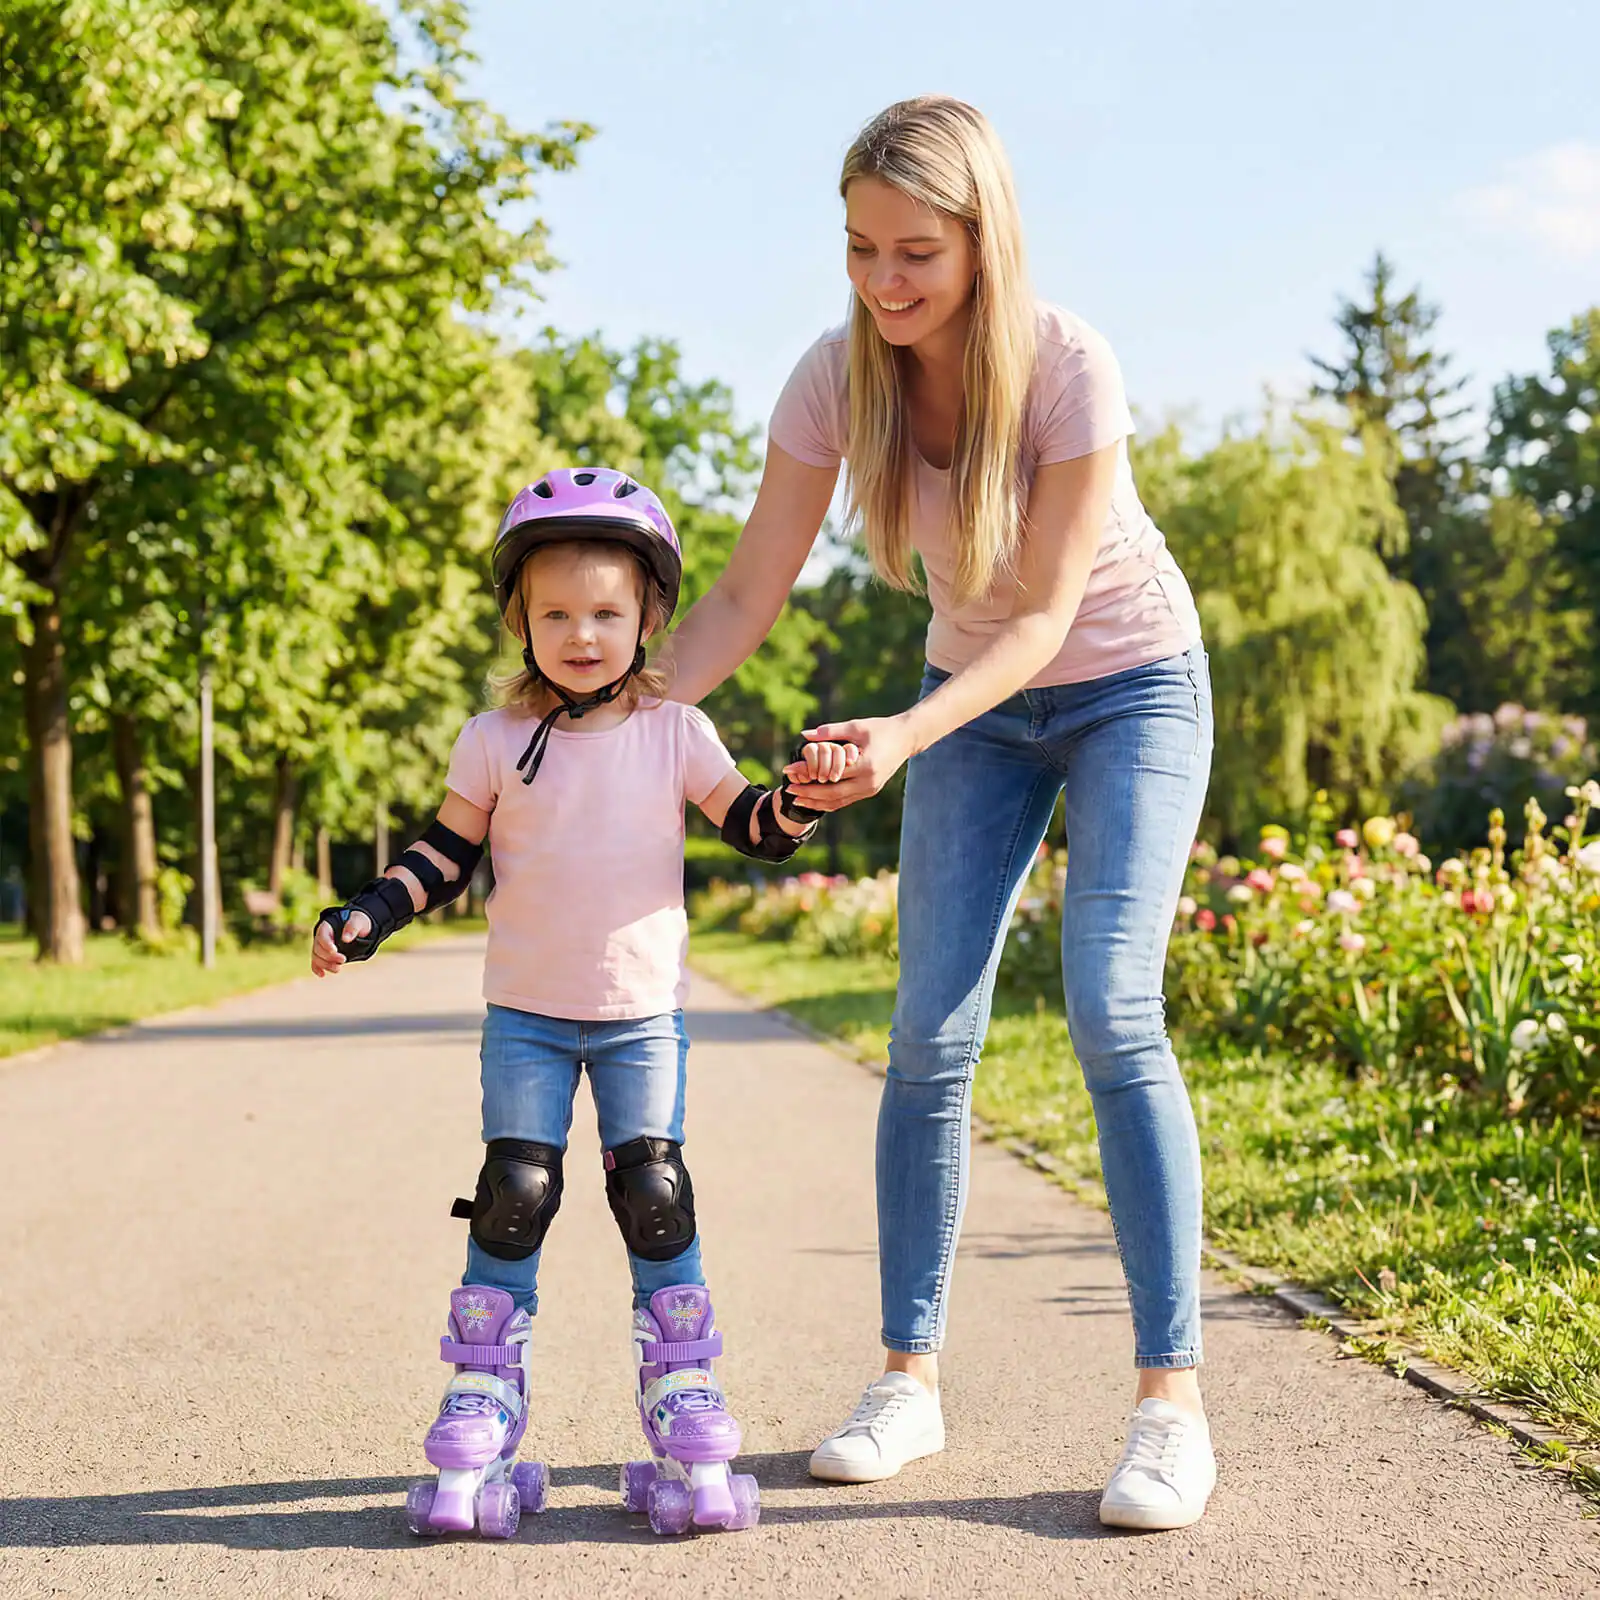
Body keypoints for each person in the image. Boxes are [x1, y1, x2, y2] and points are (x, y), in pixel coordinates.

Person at [661, 97, 1217, 1531]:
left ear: (984, 239)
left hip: (1125, 688)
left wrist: (904, 734)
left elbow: (1035, 621)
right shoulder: (835, 383)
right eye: (859, 249)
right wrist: (607, 702)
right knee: (926, 1032)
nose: (882, 282)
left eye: (915, 252)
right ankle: (907, 1379)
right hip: (968, 702)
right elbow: (741, 596)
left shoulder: (1068, 366)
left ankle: (1170, 1407)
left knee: (1112, 1000)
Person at [311, 466, 853, 1538]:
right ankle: (482, 1391)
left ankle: (683, 1394)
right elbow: (445, 852)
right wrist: (371, 910)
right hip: (526, 1012)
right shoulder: (491, 738)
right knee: (514, 1188)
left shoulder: (676, 730)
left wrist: (793, 802)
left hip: (641, 1013)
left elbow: (745, 821)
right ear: (521, 621)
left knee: (654, 1190)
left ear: (649, 616)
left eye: (606, 611)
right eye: (555, 612)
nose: (582, 633)